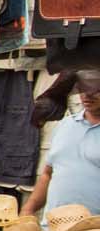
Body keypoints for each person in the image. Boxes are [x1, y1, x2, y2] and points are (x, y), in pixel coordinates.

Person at [25, 71, 100, 215]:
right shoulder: (64, 125)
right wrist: (28, 209)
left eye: (96, 89)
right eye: (82, 88)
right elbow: (48, 174)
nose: (87, 94)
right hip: (54, 228)